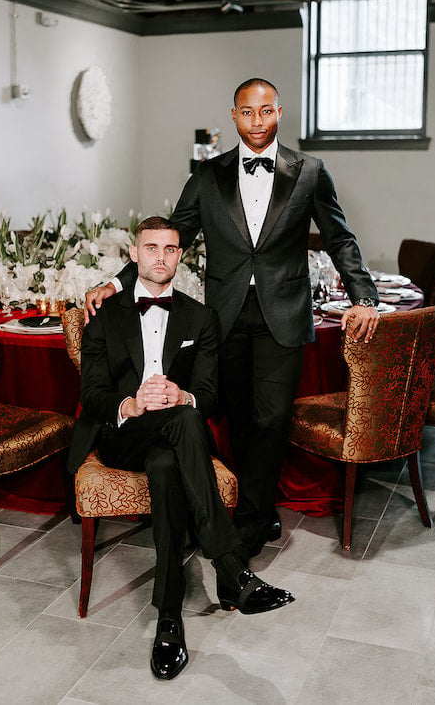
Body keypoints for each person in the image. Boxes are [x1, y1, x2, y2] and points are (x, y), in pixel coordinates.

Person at [85, 78, 380, 563]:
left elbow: (340, 238)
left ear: (280, 113)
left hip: (283, 313)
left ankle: (254, 519)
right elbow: (169, 236)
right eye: (247, 113)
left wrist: (364, 295)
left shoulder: (310, 172)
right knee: (237, 418)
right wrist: (117, 283)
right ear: (234, 115)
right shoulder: (208, 175)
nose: (257, 122)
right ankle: (255, 507)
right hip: (222, 317)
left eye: (266, 112)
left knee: (271, 417)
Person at [68, 216, 294, 681]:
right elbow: (92, 393)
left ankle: (168, 618)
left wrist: (183, 396)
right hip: (122, 435)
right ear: (134, 255)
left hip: (175, 436)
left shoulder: (199, 316)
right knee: (183, 428)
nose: (160, 257)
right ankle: (230, 569)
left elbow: (208, 396)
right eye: (150, 248)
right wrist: (131, 403)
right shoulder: (103, 316)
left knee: (170, 459)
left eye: (170, 249)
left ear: (180, 256)